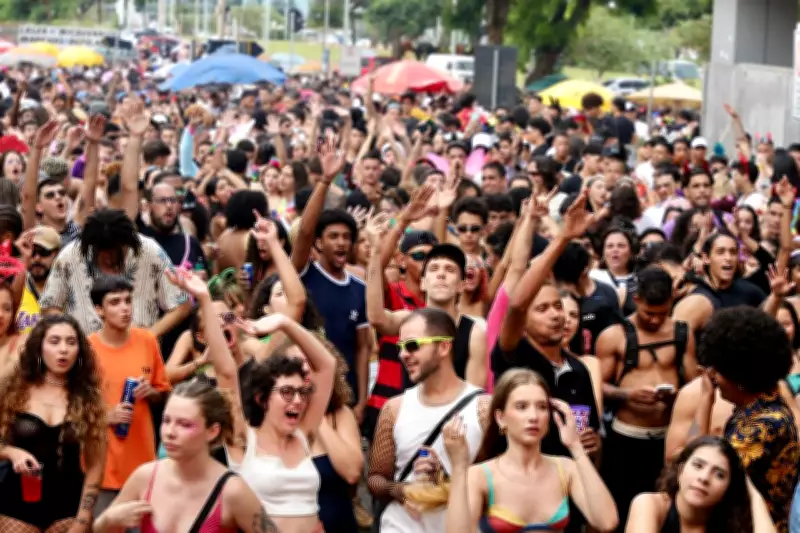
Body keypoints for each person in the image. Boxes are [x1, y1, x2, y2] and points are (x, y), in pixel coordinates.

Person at [93, 268, 277, 533]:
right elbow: (101, 529)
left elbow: (227, 374)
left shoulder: (233, 491)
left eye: (184, 424)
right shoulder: (145, 476)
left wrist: (203, 298)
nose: (169, 432)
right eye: (166, 421)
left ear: (212, 430)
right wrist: (108, 522)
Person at [443, 368, 618, 533]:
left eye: (542, 407)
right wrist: (459, 468)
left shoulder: (566, 468)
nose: (533, 417)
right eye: (521, 407)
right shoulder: (480, 475)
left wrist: (576, 447)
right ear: (501, 418)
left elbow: (606, 522)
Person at [367, 308, 490, 533]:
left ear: (444, 346)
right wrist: (401, 490)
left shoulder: (483, 408)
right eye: (400, 347)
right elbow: (375, 479)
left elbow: (499, 479)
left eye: (412, 345)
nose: (403, 354)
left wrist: (445, 479)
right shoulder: (394, 408)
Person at [596, 266, 698, 529]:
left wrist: (677, 397)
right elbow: (597, 385)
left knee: (667, 511)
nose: (654, 320)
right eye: (649, 314)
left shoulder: (681, 333)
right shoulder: (613, 336)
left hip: (667, 438)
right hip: (626, 439)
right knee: (623, 510)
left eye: (662, 314)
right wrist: (627, 394)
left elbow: (693, 382)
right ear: (637, 300)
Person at [0, 315, 106, 532]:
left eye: (71, 342)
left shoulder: (88, 399)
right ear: (39, 347)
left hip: (68, 506)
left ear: (79, 350)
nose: (64, 349)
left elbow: (96, 466)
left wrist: (83, 519)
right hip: (16, 503)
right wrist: (11, 452)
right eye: (54, 341)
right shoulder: (13, 390)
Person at [697, 307, 798, 532]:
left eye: (718, 372)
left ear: (739, 379)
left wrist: (705, 400)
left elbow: (691, 466)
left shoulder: (763, 427)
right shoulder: (760, 406)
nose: (713, 378)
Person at [89, 275, 172, 514]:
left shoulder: (147, 340)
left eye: (127, 300)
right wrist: (106, 416)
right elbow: (72, 408)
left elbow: (164, 395)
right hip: (102, 468)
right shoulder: (87, 349)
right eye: (115, 302)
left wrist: (152, 393)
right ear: (99, 310)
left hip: (143, 465)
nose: (124, 308)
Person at [39, 208, 191, 336]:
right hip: (86, 357)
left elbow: (181, 305)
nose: (110, 259)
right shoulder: (70, 256)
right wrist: (75, 339)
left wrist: (148, 338)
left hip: (138, 356)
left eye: (117, 253)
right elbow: (49, 306)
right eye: (103, 254)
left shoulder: (150, 251)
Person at [627, 436, 776, 533]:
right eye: (698, 466)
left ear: (728, 487)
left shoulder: (727, 525)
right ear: (681, 470)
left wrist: (755, 495)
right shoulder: (650, 504)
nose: (704, 478)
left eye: (719, 474)